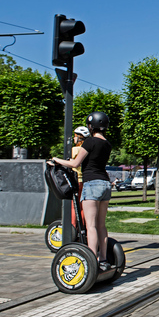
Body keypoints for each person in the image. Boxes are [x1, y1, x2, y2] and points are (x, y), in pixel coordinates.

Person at [51, 111, 113, 270]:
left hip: (91, 183)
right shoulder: (107, 143)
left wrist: (56, 160)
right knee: (101, 225)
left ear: (91, 126)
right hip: (105, 184)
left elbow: (75, 164)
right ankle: (103, 259)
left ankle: (92, 260)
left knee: (90, 226)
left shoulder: (89, 142)